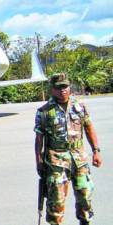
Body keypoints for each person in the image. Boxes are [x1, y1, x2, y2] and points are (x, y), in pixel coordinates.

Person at [34, 73, 103, 225]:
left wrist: (96, 151)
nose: (62, 90)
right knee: (56, 203)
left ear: (69, 87)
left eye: (65, 86)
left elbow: (89, 127)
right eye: (58, 88)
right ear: (52, 89)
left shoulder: (80, 107)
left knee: (85, 198)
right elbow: (39, 139)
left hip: (79, 160)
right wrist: (39, 161)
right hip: (56, 162)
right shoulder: (43, 111)